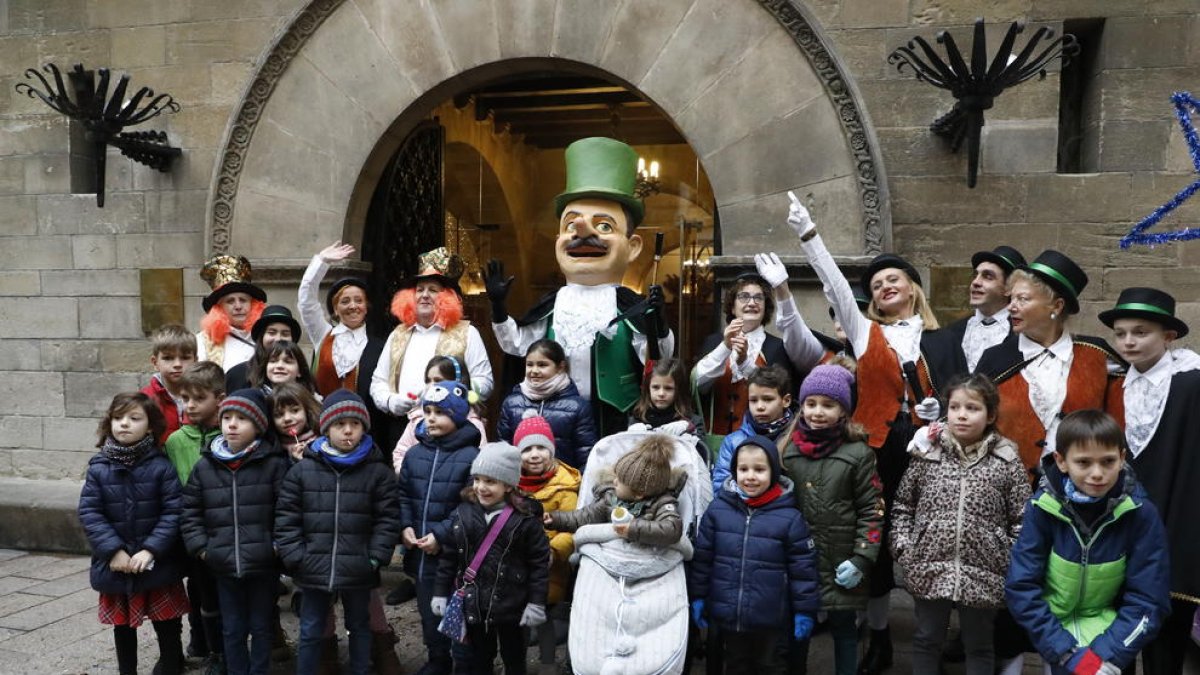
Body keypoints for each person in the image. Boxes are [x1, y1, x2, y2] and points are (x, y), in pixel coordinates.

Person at [787, 193, 940, 671]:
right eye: (876, 284)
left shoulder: (943, 340)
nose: (884, 287)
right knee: (869, 546)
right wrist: (810, 235)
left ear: (913, 288)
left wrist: (938, 411)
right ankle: (879, 636)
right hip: (874, 451)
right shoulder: (865, 333)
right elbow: (834, 286)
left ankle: (927, 641)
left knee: (921, 545)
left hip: (926, 457)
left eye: (893, 279)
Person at [486, 137, 673, 436]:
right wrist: (498, 307)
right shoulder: (553, 304)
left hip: (615, 418)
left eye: (604, 226)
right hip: (558, 418)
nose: (582, 233)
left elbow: (657, 358)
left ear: (633, 246)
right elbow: (517, 345)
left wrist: (657, 320)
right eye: (571, 225)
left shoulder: (630, 304)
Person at [1005, 409, 1171, 675]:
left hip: (1113, 638)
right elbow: (1021, 585)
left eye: (1108, 461)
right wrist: (1064, 651)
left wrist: (1107, 655)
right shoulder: (1042, 508)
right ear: (1061, 461)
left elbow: (1149, 599)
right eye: (1083, 462)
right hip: (1054, 635)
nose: (1097, 473)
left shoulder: (1141, 514)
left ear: (1122, 458)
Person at [891, 373, 1030, 675]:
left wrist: (1007, 556)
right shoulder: (927, 455)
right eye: (955, 407)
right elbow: (903, 507)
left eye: (972, 408)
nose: (962, 415)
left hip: (984, 572)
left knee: (979, 645)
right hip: (929, 565)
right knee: (927, 638)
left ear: (990, 414)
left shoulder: (1006, 462)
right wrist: (905, 549)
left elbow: (1023, 519)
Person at [1099, 288, 1200, 674]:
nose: (1128, 341)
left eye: (1140, 332)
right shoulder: (1111, 385)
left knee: (1164, 640)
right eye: (1121, 333)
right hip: (1118, 529)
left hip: (1174, 524)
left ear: (1169, 336)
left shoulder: (1191, 385)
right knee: (1116, 635)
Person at [275, 390, 402, 675]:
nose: (348, 430)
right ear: (325, 428)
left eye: (355, 424)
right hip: (313, 567)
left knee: (359, 625)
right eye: (339, 424)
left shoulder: (377, 472)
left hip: (359, 566)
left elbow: (387, 519)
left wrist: (375, 557)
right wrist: (296, 556)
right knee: (310, 630)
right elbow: (287, 518)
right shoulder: (303, 471)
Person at [780, 362, 882, 675]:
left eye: (828, 405)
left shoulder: (858, 453)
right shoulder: (786, 451)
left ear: (843, 411)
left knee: (844, 629)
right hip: (798, 560)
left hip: (841, 560)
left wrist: (862, 558)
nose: (818, 412)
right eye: (811, 404)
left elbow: (872, 509)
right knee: (799, 629)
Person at [690, 435, 820, 675]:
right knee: (736, 666)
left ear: (773, 472)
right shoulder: (718, 511)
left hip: (771, 619)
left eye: (759, 469)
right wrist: (698, 596)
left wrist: (805, 610)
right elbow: (703, 559)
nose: (750, 476)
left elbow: (803, 570)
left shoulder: (789, 518)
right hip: (729, 617)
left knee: (771, 667)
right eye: (743, 469)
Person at [180, 388, 289, 675]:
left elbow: (287, 510)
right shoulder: (206, 466)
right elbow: (190, 511)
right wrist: (203, 549)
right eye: (227, 417)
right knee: (232, 628)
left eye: (241, 418)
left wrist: (276, 545)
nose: (231, 424)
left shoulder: (274, 464)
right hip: (223, 564)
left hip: (263, 563)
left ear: (259, 425)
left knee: (262, 626)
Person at [79, 392, 189, 675]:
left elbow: (173, 512)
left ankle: (172, 667)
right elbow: (91, 512)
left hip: (157, 562)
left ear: (150, 426)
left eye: (134, 418)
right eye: (118, 418)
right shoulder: (99, 468)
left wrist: (151, 549)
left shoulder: (161, 467)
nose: (124, 424)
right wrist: (113, 551)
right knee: (123, 626)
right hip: (116, 564)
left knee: (167, 624)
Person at [431, 443, 551, 675]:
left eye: (490, 481)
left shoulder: (525, 519)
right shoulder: (463, 512)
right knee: (479, 660)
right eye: (477, 479)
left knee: (514, 658)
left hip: (513, 606)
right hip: (474, 605)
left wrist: (536, 603)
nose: (481, 487)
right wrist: (439, 592)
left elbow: (538, 565)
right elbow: (449, 557)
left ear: (508, 485)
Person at [397, 381, 482, 675]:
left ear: (458, 416)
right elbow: (404, 495)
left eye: (439, 412)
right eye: (427, 411)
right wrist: (405, 526)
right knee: (427, 613)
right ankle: (437, 660)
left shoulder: (471, 457)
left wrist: (442, 535)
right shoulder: (414, 455)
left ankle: (464, 663)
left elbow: (471, 507)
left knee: (457, 612)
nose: (430, 418)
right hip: (421, 556)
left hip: (455, 557)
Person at [370, 246, 494, 449]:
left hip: (451, 426)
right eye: (419, 290)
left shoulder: (467, 333)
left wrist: (456, 397)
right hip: (402, 427)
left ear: (448, 298)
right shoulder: (398, 334)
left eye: (433, 290)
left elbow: (485, 382)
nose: (424, 295)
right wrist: (392, 401)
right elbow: (378, 381)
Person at [693, 254, 824, 436]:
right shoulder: (713, 342)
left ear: (766, 307)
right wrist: (725, 347)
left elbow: (782, 395)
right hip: (713, 440)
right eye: (744, 297)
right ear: (732, 306)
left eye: (758, 298)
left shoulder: (778, 347)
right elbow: (697, 384)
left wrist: (746, 362)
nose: (752, 303)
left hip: (761, 441)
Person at [164, 361, 227, 668]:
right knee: (199, 593)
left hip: (225, 532)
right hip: (193, 533)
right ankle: (206, 645)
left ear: (220, 398)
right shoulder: (176, 441)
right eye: (185, 398)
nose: (189, 405)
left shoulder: (231, 436)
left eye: (198, 398)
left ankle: (226, 650)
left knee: (223, 595)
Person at [297, 241, 388, 439]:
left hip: (366, 431)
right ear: (335, 310)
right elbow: (306, 300)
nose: (352, 306)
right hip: (323, 428)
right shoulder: (323, 335)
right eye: (345, 301)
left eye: (358, 300)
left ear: (366, 306)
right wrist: (321, 261)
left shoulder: (381, 347)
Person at [514, 415, 581, 675]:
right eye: (527, 449)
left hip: (548, 564)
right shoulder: (512, 484)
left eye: (541, 447)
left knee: (543, 618)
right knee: (516, 618)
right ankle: (516, 662)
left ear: (551, 450)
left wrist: (554, 551)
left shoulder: (564, 487)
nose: (534, 454)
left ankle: (548, 662)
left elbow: (571, 528)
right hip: (517, 564)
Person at [546, 434, 685, 547]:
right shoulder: (610, 498)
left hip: (649, 556)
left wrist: (632, 529)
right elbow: (583, 517)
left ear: (638, 494)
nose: (614, 481)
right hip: (612, 553)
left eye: (620, 481)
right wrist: (554, 519)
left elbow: (672, 529)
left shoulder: (663, 505)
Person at [920, 246, 1027, 391]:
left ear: (1008, 289)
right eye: (975, 275)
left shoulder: (1024, 335)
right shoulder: (951, 333)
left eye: (988, 276)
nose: (975, 282)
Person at [497, 339, 597, 470]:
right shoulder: (511, 403)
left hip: (563, 485)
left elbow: (586, 454)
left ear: (561, 367)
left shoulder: (578, 407)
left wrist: (578, 487)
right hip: (520, 485)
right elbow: (502, 450)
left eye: (542, 365)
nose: (534, 370)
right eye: (530, 365)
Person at [710, 364, 797, 496]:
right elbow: (720, 486)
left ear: (786, 400)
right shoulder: (734, 442)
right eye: (753, 400)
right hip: (741, 512)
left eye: (768, 399)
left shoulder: (796, 438)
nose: (760, 407)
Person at [392, 355, 487, 473]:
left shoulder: (472, 423)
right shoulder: (418, 418)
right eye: (428, 380)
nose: (432, 385)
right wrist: (408, 476)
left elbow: (481, 463)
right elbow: (400, 452)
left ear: (457, 383)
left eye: (438, 380)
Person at [196, 254, 268, 370]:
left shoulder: (267, 335)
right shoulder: (203, 342)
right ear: (219, 308)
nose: (238, 306)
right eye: (230, 301)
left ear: (253, 305)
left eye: (243, 300)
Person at [629, 357, 709, 460]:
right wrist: (630, 437)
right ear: (647, 389)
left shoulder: (692, 421)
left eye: (668, 388)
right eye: (656, 387)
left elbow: (703, 457)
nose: (661, 394)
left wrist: (689, 431)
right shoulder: (638, 418)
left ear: (678, 390)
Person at [224, 304, 302, 393]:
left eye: (285, 334)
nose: (278, 338)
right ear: (261, 337)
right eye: (272, 332)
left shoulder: (302, 376)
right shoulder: (238, 374)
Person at [142, 324, 198, 445]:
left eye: (185, 357)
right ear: (155, 362)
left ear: (196, 360)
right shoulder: (145, 399)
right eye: (168, 358)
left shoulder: (205, 397)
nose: (177, 364)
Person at [270, 381, 322, 463]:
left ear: (307, 410)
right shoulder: (273, 450)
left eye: (295, 410)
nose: (287, 419)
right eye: (279, 415)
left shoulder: (324, 442)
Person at [247, 340, 318, 395]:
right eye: (273, 361)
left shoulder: (312, 401)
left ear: (300, 371)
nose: (279, 366)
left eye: (288, 361)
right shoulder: (254, 399)